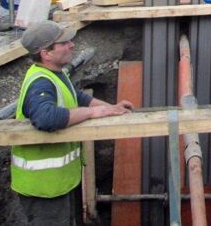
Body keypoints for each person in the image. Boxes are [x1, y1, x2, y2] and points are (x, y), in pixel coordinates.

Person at [11, 20, 133, 225]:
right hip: (44, 189)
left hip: (59, 183)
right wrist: (92, 113)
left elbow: (77, 97)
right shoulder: (40, 82)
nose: (72, 45)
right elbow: (45, 117)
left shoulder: (55, 75)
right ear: (46, 53)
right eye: (64, 42)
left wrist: (111, 108)